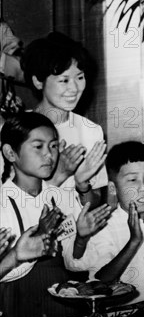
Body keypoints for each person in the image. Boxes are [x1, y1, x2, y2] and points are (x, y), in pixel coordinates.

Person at [0, 112, 111, 317]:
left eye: (53, 146)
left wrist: (81, 238)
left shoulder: (59, 196)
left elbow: (73, 263)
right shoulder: (2, 203)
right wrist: (19, 255)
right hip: (15, 310)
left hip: (63, 306)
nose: (49, 155)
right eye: (38, 147)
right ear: (10, 153)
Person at [66, 141, 144, 304]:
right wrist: (133, 242)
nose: (143, 187)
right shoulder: (104, 226)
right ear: (113, 188)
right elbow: (101, 283)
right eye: (133, 180)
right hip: (123, 316)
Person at [20, 32, 108, 207]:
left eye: (80, 78)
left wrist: (82, 185)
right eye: (64, 80)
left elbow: (96, 202)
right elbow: (12, 206)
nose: (74, 88)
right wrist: (60, 174)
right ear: (38, 81)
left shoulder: (91, 131)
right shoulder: (16, 130)